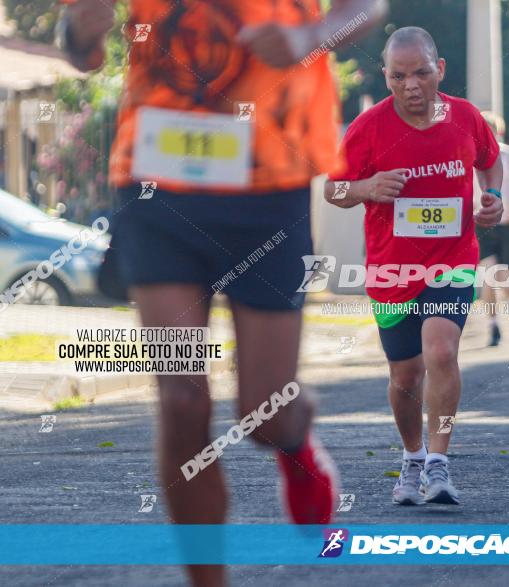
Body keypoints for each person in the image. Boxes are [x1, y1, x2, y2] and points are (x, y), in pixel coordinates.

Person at [60, 1, 384, 584]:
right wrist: (84, 31)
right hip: (157, 179)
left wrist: (312, 35)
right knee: (181, 398)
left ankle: (295, 429)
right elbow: (80, 51)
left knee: (265, 416)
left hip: (271, 182)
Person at [325, 26, 503, 506]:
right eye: (400, 76)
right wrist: (366, 188)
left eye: (421, 73)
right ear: (386, 77)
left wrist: (495, 198)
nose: (411, 85)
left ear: (439, 69)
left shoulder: (465, 117)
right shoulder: (367, 129)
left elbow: (491, 163)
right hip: (391, 270)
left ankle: (440, 463)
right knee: (405, 375)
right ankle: (412, 457)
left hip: (452, 260)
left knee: (441, 352)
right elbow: (333, 190)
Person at [473, 111, 509, 347]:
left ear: (498, 131)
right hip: (481, 224)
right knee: (488, 275)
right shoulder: (470, 157)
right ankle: (493, 326)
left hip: (506, 223)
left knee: (503, 277)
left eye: (490, 129)